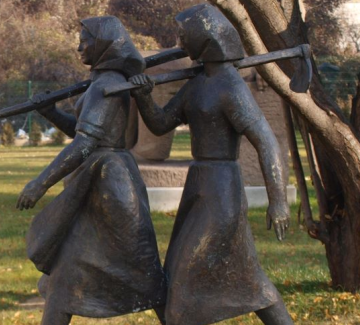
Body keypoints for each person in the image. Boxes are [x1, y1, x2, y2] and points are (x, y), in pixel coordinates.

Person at [130, 4, 294, 325]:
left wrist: (278, 202)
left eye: (183, 37)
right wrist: (144, 96)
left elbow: (265, 140)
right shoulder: (196, 84)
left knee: (182, 289)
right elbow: (162, 123)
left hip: (222, 192)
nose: (180, 44)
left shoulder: (231, 87)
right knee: (181, 280)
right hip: (199, 186)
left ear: (205, 39)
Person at [16, 16, 167, 325]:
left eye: (85, 39)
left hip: (111, 185)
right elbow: (84, 133)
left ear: (103, 46)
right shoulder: (103, 84)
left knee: (143, 272)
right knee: (68, 271)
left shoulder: (108, 86)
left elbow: (85, 144)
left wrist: (39, 183)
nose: (79, 45)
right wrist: (52, 113)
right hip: (95, 183)